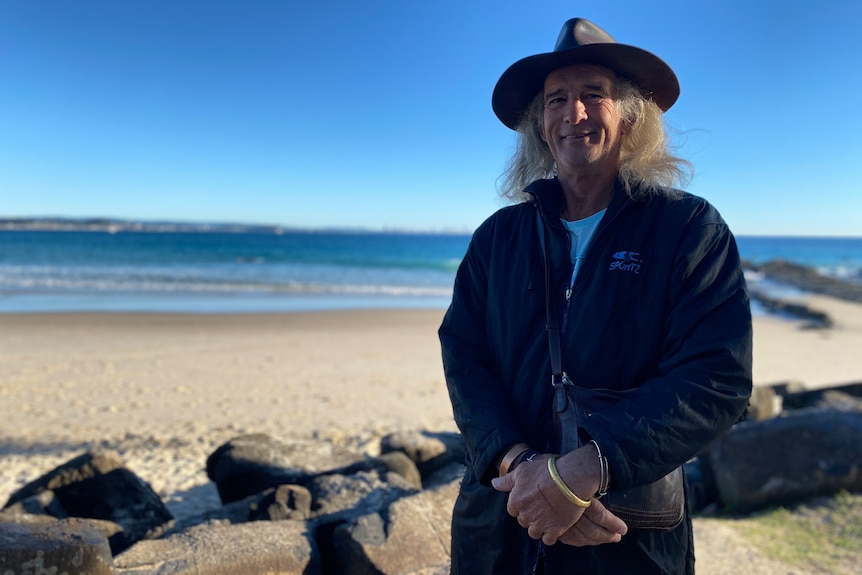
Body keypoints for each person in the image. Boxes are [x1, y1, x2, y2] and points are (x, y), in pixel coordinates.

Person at [439, 17, 753, 574]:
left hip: (623, 536)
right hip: (502, 522)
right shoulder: (498, 237)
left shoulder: (687, 228)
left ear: (628, 115)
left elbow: (714, 377)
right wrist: (526, 468)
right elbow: (464, 354)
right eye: (556, 99)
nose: (573, 114)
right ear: (540, 125)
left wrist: (586, 470)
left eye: (593, 95)